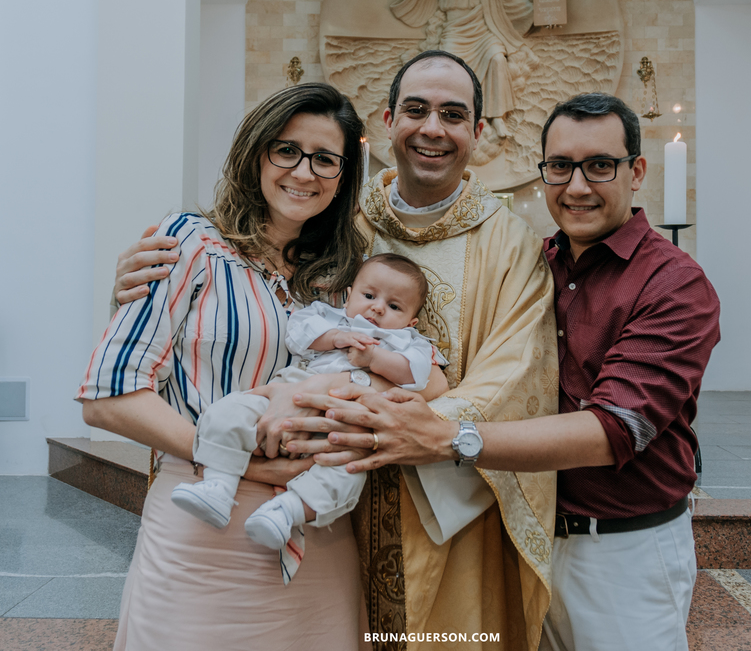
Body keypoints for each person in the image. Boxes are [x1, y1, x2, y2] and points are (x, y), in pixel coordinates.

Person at [113, 49, 559, 651]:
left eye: (453, 114)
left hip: (430, 503)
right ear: (388, 120)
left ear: (478, 131)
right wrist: (140, 292)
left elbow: (514, 374)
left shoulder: (510, 244)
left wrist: (395, 426)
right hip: (301, 497)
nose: (433, 127)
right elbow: (238, 313)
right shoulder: (337, 220)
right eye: (417, 110)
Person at [289, 93, 721, 651]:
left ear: (636, 171)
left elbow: (615, 428)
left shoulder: (673, 284)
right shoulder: (536, 258)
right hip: (521, 528)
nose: (578, 186)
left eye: (600, 166)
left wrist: (448, 435)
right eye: (560, 167)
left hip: (618, 549)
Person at [76, 82, 371, 651]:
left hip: (318, 532)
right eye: (285, 150)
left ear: (342, 177)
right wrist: (247, 468)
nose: (303, 172)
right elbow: (108, 397)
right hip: (202, 527)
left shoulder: (348, 279)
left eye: (325, 159)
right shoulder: (189, 242)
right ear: (255, 153)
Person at [170, 253, 448, 561]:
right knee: (232, 411)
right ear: (349, 296)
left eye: (394, 306)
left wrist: (375, 360)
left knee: (346, 472)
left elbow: (420, 374)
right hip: (291, 391)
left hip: (346, 420)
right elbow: (297, 333)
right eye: (368, 295)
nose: (377, 307)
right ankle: (218, 487)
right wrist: (334, 337)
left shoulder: (410, 342)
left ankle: (286, 512)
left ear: (411, 322)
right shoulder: (330, 317)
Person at [393, 0, 533, 131]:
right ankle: (453, 115)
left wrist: (535, 10)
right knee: (449, 70)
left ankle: (496, 117)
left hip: (484, 29)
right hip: (455, 30)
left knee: (496, 58)